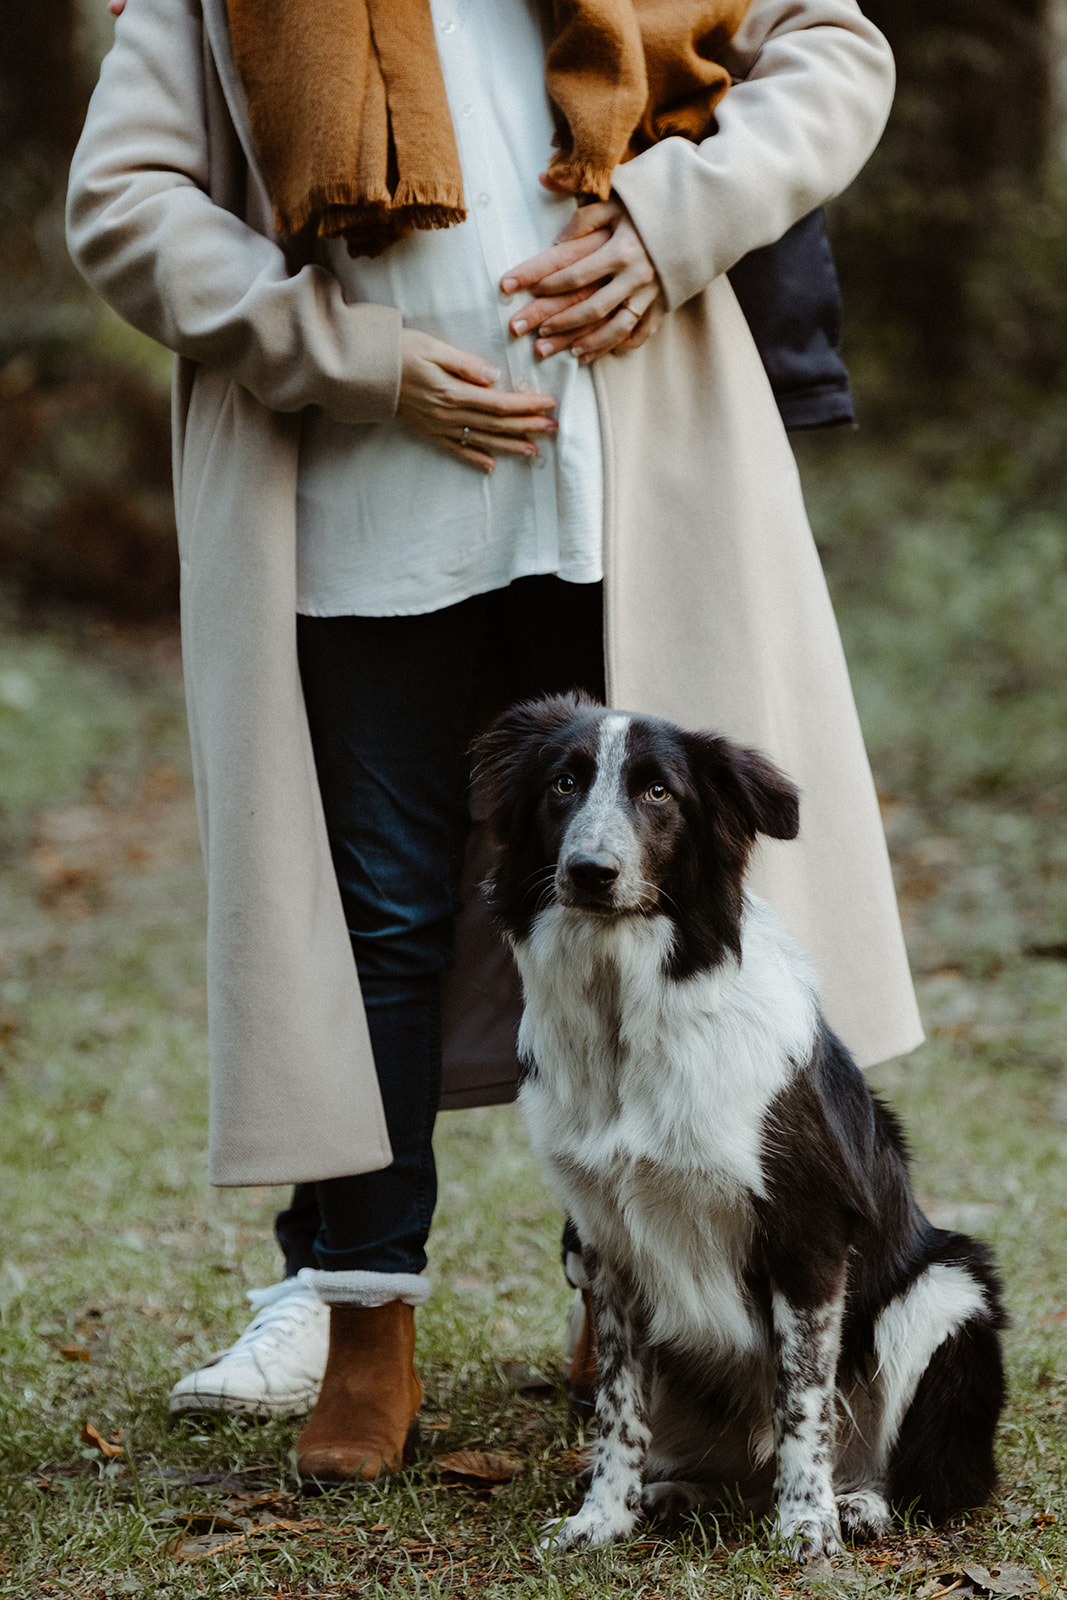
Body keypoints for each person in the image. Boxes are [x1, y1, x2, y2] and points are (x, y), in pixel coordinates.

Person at [67, 0, 921, 1482]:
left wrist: (667, 228)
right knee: (377, 917)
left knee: (635, 920)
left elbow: (834, 53)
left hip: (621, 480)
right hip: (353, 494)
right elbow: (123, 197)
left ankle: (626, 1290)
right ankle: (366, 1324)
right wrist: (337, 351)